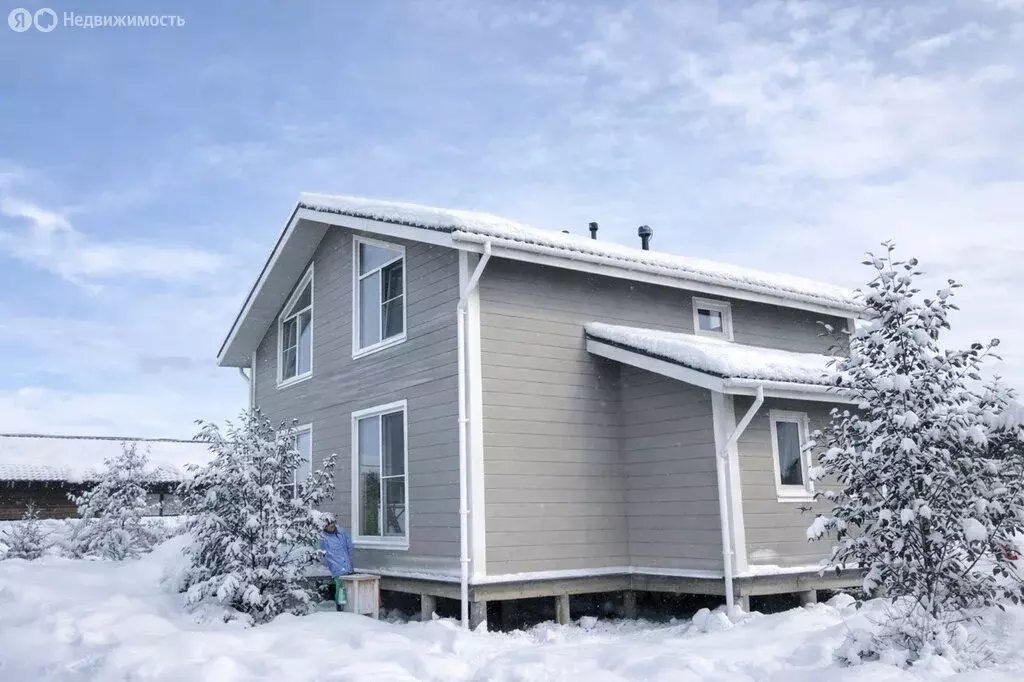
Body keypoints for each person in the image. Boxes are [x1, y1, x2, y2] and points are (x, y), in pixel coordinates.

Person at [319, 519, 354, 611]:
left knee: (349, 587)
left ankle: (349, 607)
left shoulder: (341, 532)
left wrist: (350, 562)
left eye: (333, 524)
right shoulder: (323, 538)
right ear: (325, 527)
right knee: (341, 587)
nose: (332, 526)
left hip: (347, 565)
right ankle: (340, 608)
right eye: (329, 525)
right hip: (336, 567)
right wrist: (331, 566)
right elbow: (324, 555)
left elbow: (349, 546)